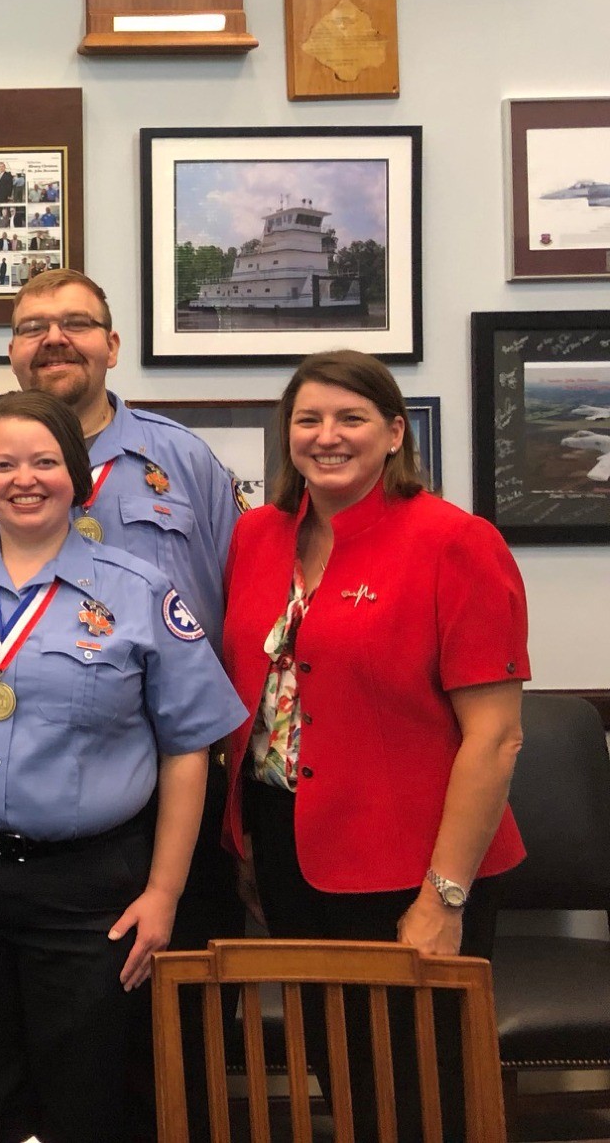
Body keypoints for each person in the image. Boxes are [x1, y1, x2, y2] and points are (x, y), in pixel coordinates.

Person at [0, 391, 244, 1143]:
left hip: (91, 893)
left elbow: (187, 749)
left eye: (44, 462)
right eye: (3, 463)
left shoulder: (140, 593)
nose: (24, 479)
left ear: (75, 475)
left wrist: (166, 891)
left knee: (92, 1099)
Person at [0, 270, 245, 976]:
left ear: (112, 345)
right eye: (32, 327)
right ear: (12, 352)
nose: (54, 339)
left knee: (154, 1036)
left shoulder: (186, 465)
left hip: (162, 795)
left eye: (77, 323)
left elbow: (235, 611)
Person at [221, 351, 529, 1141]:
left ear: (395, 433)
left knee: (425, 1091)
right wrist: (250, 843)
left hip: (415, 863)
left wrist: (444, 897)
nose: (328, 436)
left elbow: (494, 739)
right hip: (288, 845)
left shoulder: (455, 542)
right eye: (308, 419)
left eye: (351, 418)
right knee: (342, 1074)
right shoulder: (257, 535)